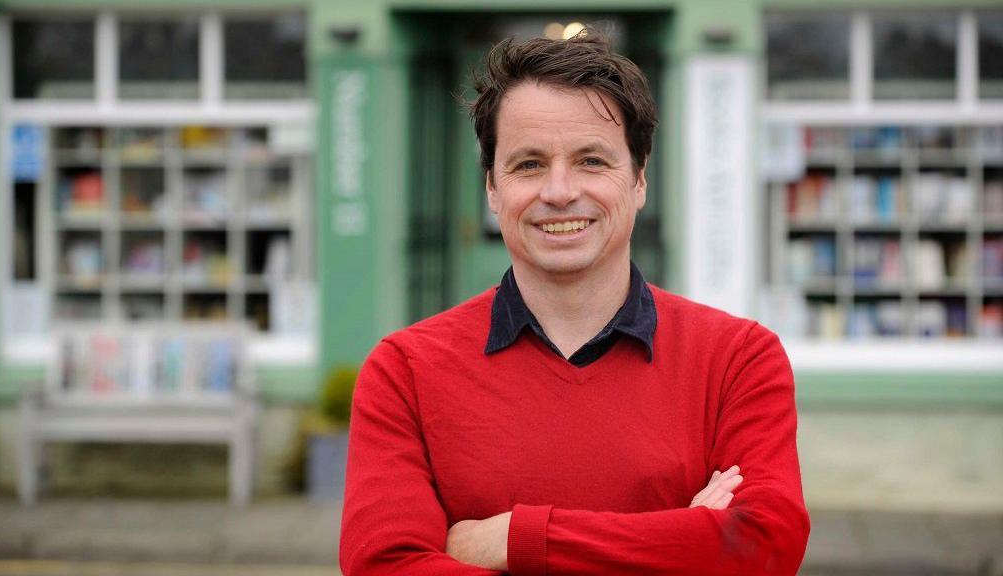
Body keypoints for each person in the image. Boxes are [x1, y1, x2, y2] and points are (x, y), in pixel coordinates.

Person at [339, 29, 809, 575]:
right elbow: (385, 566)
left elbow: (763, 546)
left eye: (591, 160)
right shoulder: (405, 373)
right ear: (492, 188)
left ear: (639, 180)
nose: (559, 191)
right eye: (529, 164)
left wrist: (516, 539)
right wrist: (676, 544)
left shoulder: (738, 360)